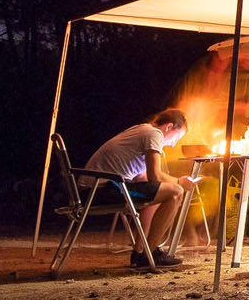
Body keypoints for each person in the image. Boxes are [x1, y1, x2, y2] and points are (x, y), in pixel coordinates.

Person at [82, 108, 196, 268]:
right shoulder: (154, 134)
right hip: (102, 189)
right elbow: (154, 176)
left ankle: (141, 252)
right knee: (176, 192)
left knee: (161, 191)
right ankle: (151, 253)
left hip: (94, 189)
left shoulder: (142, 130)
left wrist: (172, 182)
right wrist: (179, 182)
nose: (173, 144)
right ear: (169, 127)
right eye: (176, 138)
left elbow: (146, 181)